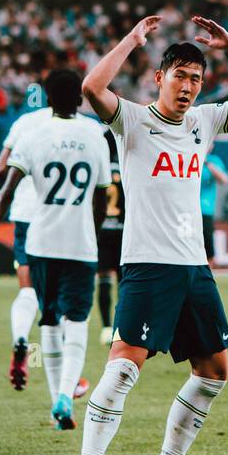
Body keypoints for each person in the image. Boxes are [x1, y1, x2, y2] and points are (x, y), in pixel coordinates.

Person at [66, 13, 228, 455]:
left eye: (196, 79)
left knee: (214, 371)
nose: (187, 87)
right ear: (159, 78)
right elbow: (92, 86)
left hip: (194, 270)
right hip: (146, 266)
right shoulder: (133, 121)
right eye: (179, 75)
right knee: (122, 368)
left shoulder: (204, 122)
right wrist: (133, 38)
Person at [0, 71, 110, 430]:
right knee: (77, 322)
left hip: (40, 242)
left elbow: (5, 189)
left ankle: (56, 402)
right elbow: (101, 197)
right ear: (81, 99)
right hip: (80, 245)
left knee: (48, 320)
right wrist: (92, 234)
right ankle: (67, 394)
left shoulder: (32, 134)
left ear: (48, 99)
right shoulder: (95, 134)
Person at [0, 104, 54, 389]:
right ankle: (65, 376)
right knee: (57, 298)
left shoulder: (24, 123)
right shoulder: (83, 126)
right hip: (59, 217)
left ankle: (21, 339)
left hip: (24, 215)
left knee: (28, 288)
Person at [97, 129, 125, 344]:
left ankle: (106, 326)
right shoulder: (128, 167)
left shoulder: (101, 167)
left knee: (104, 280)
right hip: (125, 231)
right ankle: (122, 327)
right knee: (125, 282)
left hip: (103, 230)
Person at [200, 151, 228, 265]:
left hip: (205, 209)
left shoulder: (214, 161)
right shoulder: (188, 155)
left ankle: (208, 274)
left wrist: (207, 163)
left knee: (207, 245)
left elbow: (224, 180)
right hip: (186, 209)